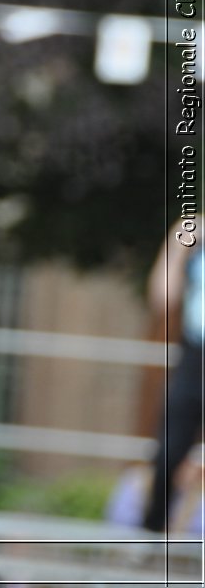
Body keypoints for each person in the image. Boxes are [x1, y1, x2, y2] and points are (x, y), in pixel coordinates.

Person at [142, 218, 204, 533]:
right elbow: (162, 299)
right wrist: (177, 248)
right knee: (168, 452)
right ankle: (152, 533)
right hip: (195, 358)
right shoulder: (195, 234)